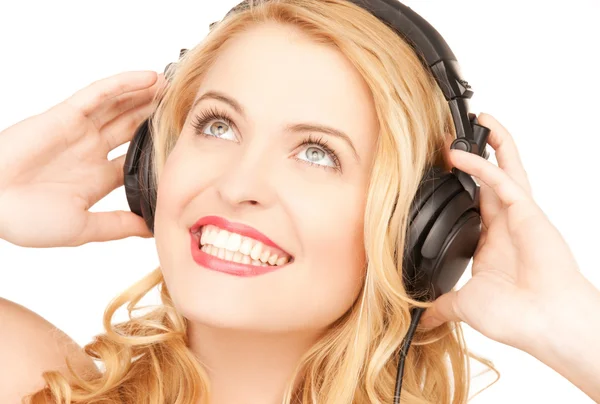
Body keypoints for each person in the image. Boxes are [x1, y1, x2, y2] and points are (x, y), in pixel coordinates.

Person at [0, 0, 599, 403]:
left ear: (419, 228)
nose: (238, 186)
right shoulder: (33, 379)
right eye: (217, 126)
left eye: (317, 152)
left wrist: (569, 326)